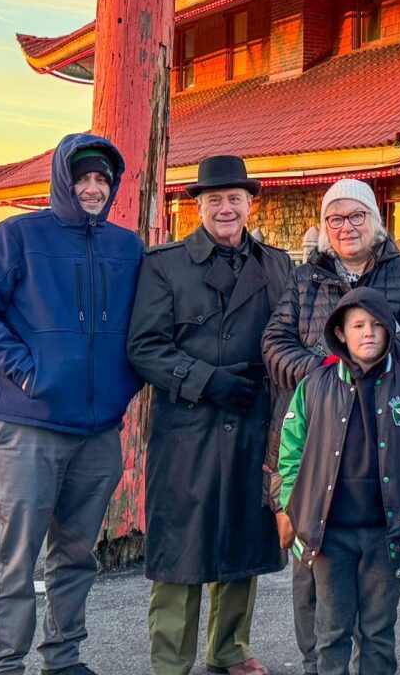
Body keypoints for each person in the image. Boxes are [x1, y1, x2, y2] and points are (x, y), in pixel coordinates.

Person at [0, 133, 145, 675]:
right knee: (16, 558)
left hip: (99, 432)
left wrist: (123, 383)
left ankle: (63, 659)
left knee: (77, 555)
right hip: (28, 427)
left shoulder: (127, 247)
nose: (91, 188)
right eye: (82, 178)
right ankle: (3, 664)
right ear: (64, 180)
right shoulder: (17, 236)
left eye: (101, 180)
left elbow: (144, 327)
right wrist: (27, 370)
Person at [261, 177, 400, 674]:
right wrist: (325, 373)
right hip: (313, 431)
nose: (346, 227)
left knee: (377, 611)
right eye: (335, 219)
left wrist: (372, 362)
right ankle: (316, 665)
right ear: (323, 228)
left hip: (382, 431)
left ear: (375, 221)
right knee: (313, 580)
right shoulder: (305, 278)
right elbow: (275, 342)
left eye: (356, 216)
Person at [127, 156, 294, 675]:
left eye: (235, 199)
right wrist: (206, 381)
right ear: (197, 206)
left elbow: (291, 335)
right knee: (182, 545)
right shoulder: (164, 264)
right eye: (214, 199)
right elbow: (145, 347)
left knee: (244, 533)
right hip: (188, 427)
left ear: (250, 204)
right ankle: (171, 660)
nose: (226, 208)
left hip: (253, 418)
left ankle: (229, 649)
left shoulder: (277, 263)